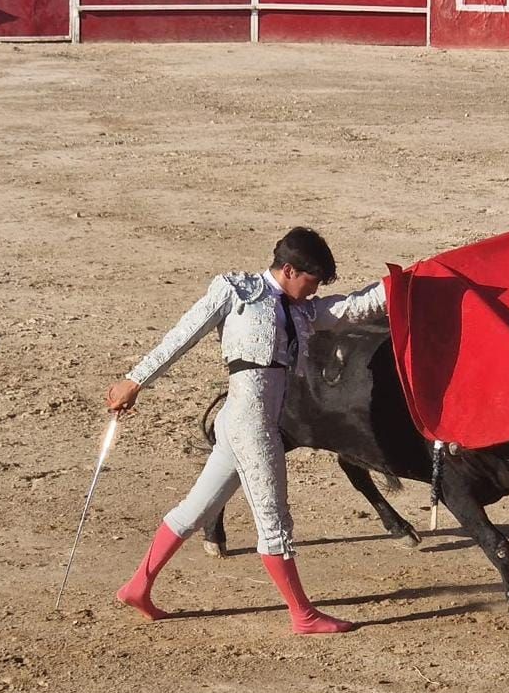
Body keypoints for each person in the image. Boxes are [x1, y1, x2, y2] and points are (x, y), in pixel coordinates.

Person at [105, 227, 388, 635]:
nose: (314, 291)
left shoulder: (301, 310)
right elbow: (183, 334)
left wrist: (402, 282)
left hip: (245, 422)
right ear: (289, 270)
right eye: (311, 281)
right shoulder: (235, 290)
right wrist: (135, 380)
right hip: (252, 426)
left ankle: (137, 587)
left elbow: (351, 308)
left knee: (195, 510)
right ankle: (303, 615)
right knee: (274, 521)